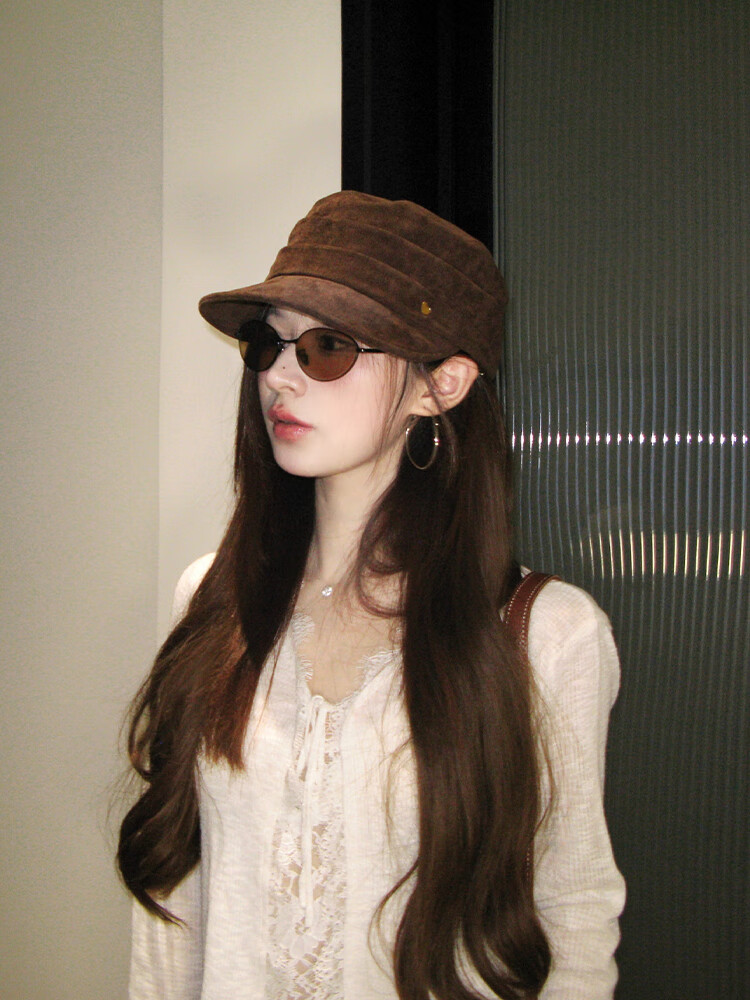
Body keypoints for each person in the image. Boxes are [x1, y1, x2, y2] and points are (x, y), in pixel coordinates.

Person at [118, 190, 625, 1000]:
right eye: (268, 343)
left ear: (442, 384)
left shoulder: (545, 634)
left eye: (327, 347)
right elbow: (177, 889)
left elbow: (573, 914)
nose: (279, 376)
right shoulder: (213, 597)